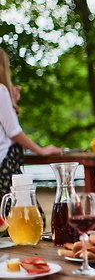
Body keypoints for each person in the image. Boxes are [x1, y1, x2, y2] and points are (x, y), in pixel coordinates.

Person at [0, 48, 61, 212]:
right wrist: (40, 150)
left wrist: (11, 103)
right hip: (4, 167)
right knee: (30, 220)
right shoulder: (1, 90)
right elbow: (13, 132)